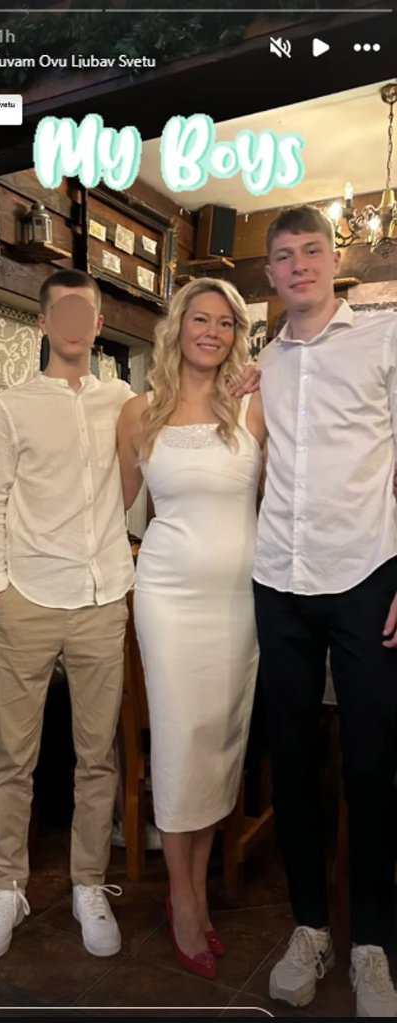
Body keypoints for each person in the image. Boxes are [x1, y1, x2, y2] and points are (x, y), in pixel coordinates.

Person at [252, 205, 397, 1017]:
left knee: (373, 763)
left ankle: (371, 941)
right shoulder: (263, 362)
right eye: (285, 255)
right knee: (293, 761)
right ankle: (309, 926)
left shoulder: (384, 339)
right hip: (278, 578)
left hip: (367, 573)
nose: (300, 264)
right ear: (271, 273)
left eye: (312, 250)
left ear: (334, 259)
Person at [0, 269, 134, 961]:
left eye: (84, 312)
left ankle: (87, 883)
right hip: (28, 599)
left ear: (97, 324)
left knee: (97, 758)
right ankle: (8, 885)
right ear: (44, 323)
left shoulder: (123, 400)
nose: (72, 322)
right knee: (14, 758)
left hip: (102, 598)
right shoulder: (12, 405)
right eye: (60, 310)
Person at [117, 277, 266, 979]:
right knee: (179, 744)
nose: (211, 331)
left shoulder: (254, 404)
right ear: (177, 327)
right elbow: (110, 511)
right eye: (200, 319)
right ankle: (182, 899)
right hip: (168, 599)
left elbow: (289, 496)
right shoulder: (139, 411)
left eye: (225, 323)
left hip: (239, 603)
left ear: (237, 335)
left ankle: (199, 891)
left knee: (217, 746)